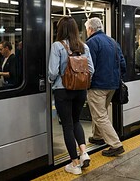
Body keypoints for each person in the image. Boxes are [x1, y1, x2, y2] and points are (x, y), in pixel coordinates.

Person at [48, 16, 94, 175]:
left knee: (67, 125)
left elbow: (53, 72)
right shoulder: (84, 47)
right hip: (81, 90)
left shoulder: (57, 46)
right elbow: (91, 70)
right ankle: (84, 153)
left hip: (63, 90)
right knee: (76, 121)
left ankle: (74, 164)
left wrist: (51, 81)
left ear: (60, 29)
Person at [85, 17, 126, 157]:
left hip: (98, 85)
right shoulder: (113, 41)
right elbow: (123, 64)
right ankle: (97, 136)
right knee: (101, 112)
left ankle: (116, 144)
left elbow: (90, 66)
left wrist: (86, 83)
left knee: (100, 115)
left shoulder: (91, 42)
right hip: (112, 85)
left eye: (87, 29)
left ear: (90, 29)